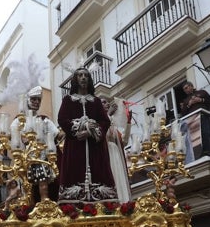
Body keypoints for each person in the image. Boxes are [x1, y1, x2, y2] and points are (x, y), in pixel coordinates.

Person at [57, 67, 117, 203]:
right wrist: (78, 129)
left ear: (89, 80)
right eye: (80, 75)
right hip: (75, 147)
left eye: (86, 75)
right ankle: (73, 203)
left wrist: (90, 130)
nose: (83, 78)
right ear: (75, 80)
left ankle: (102, 203)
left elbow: (105, 121)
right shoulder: (68, 100)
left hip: (95, 148)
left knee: (99, 174)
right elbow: (62, 119)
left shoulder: (95, 101)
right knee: (74, 173)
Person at [10, 86, 61, 202]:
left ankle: (45, 204)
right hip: (25, 162)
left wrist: (69, 128)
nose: (36, 102)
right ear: (27, 100)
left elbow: (58, 135)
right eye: (33, 99)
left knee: (44, 185)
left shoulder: (44, 120)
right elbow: (14, 138)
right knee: (24, 190)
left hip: (42, 160)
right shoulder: (18, 121)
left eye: (39, 100)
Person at [101, 97, 132, 203]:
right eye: (104, 102)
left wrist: (128, 123)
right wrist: (108, 115)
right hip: (106, 154)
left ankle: (123, 202)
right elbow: (101, 134)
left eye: (107, 102)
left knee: (119, 178)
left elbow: (124, 141)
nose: (107, 104)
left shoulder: (113, 125)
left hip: (116, 154)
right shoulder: (98, 121)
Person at [179, 81, 210, 161]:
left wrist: (200, 100)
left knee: (206, 133)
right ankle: (198, 154)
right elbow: (183, 114)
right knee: (195, 138)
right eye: (184, 89)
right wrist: (189, 104)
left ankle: (207, 151)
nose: (186, 90)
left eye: (186, 87)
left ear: (191, 86)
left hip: (203, 116)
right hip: (193, 121)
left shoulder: (202, 92)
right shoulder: (185, 100)